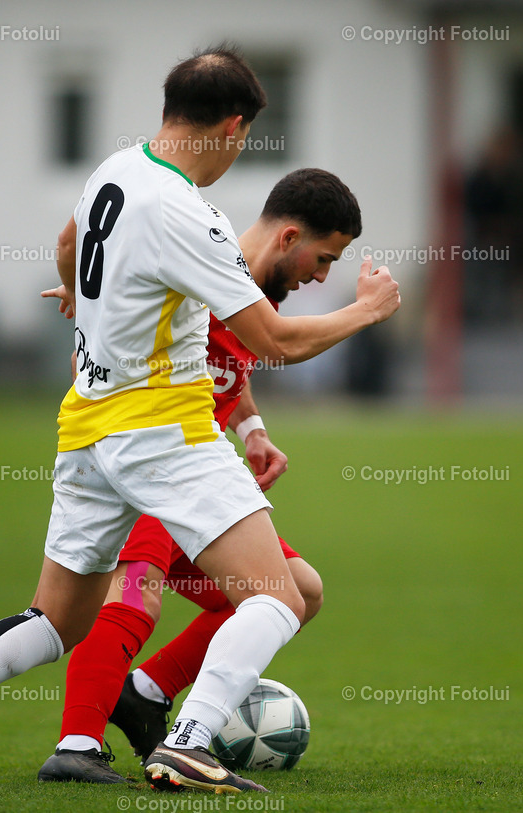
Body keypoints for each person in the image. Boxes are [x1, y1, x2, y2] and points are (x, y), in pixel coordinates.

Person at [0, 44, 399, 794]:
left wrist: (79, 296)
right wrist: (366, 311)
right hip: (164, 430)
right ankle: (187, 742)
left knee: (55, 619)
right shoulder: (189, 213)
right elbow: (274, 340)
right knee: (279, 595)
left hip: (86, 426)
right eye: (244, 139)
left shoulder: (111, 172)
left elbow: (68, 243)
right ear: (232, 127)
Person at [36, 168, 360, 784]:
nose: (321, 276)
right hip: (156, 456)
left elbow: (221, 370)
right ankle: (77, 743)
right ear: (290, 237)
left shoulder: (246, 289)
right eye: (324, 259)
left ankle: (146, 692)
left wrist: (252, 428)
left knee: (299, 590)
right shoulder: (204, 268)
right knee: (137, 590)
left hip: (200, 469)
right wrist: (366, 310)